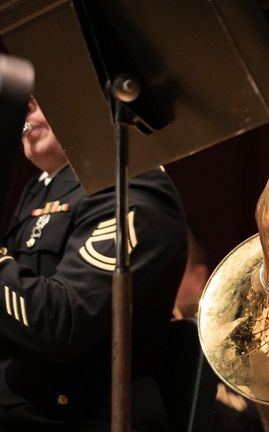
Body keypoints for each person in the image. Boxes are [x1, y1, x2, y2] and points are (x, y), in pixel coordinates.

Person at [0, 96, 189, 430]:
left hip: (73, 415)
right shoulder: (40, 190)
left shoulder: (130, 181)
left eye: (39, 96)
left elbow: (63, 322)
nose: (26, 108)